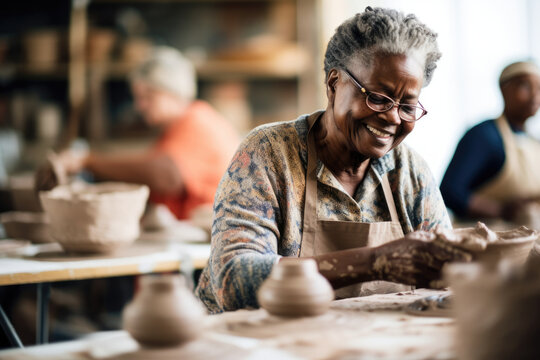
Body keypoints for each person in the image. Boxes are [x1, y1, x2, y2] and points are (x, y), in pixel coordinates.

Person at [195, 7, 470, 314]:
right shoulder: (269, 153)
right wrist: (377, 262)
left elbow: (448, 277)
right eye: (378, 98)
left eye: (407, 106)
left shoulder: (409, 171)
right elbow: (232, 281)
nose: (393, 117)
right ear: (333, 83)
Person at [57, 46, 240, 220]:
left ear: (173, 92)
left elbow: (165, 176)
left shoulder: (197, 121)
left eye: (148, 96)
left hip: (214, 233)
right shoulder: (178, 126)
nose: (140, 106)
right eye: (138, 97)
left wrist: (88, 161)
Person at [440, 61, 540, 223]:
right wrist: (501, 210)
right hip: (487, 239)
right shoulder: (484, 135)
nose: (535, 95)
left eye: (539, 89)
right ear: (504, 89)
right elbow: (449, 192)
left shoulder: (535, 142)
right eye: (525, 86)